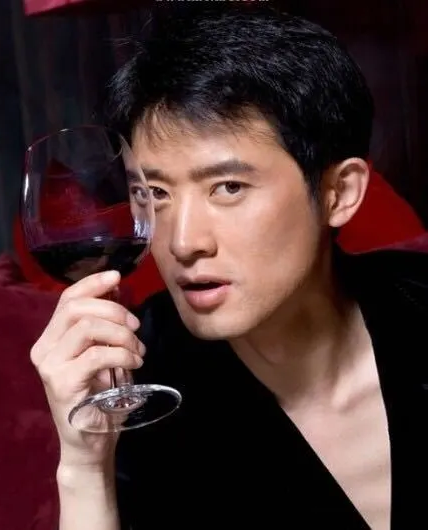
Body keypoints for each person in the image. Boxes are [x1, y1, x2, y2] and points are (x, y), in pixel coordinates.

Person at [30, 6, 428, 530]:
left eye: (228, 187)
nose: (183, 243)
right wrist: (84, 466)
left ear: (339, 192)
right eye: (154, 193)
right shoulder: (137, 382)